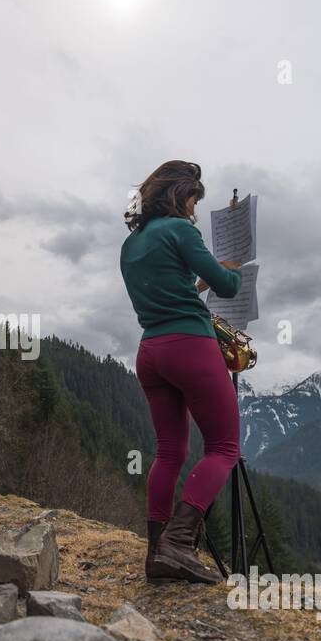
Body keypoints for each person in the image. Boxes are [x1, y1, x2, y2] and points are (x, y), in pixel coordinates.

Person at [120, 161, 242, 584]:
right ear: (179, 194)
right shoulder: (181, 231)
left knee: (169, 451)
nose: (193, 209)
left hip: (150, 351)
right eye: (193, 199)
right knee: (224, 448)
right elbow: (227, 287)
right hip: (190, 344)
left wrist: (198, 285)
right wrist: (233, 273)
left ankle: (157, 553)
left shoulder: (130, 245)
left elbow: (171, 290)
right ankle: (179, 543)